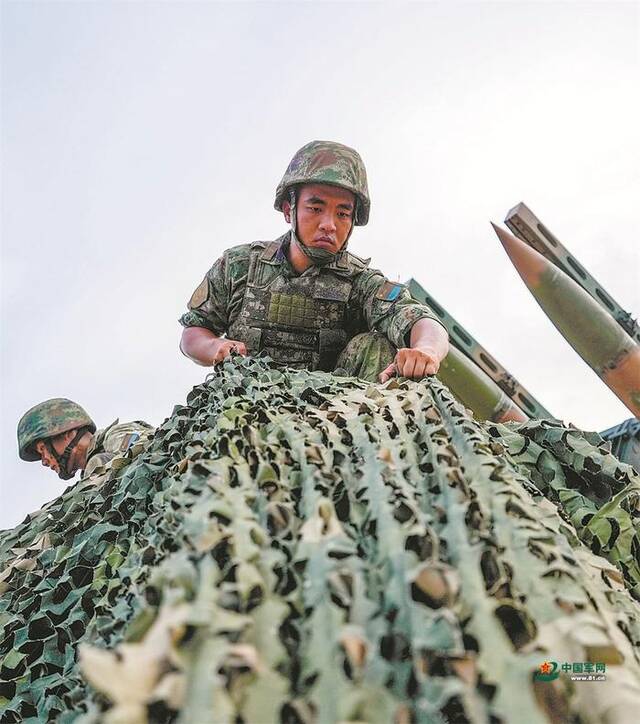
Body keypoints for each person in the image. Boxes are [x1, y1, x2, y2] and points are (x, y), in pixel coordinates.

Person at [179, 140, 449, 382]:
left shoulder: (360, 283)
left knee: (376, 345)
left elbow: (419, 320)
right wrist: (214, 346)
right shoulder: (240, 266)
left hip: (336, 419)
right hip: (245, 412)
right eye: (315, 209)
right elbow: (194, 331)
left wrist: (425, 351)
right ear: (289, 210)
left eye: (343, 214)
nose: (329, 225)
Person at [17, 398, 152, 482]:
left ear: (67, 433)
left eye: (43, 450)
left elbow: (149, 448)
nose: (44, 461)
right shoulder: (86, 480)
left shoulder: (114, 436)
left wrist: (104, 468)